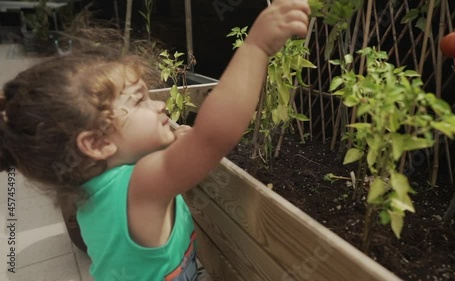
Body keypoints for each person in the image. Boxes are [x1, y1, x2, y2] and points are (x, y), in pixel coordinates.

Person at [0, 0, 310, 280]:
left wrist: (171, 146)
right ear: (96, 144)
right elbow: (212, 138)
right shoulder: (143, 184)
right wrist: (255, 47)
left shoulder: (86, 183)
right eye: (139, 101)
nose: (159, 105)